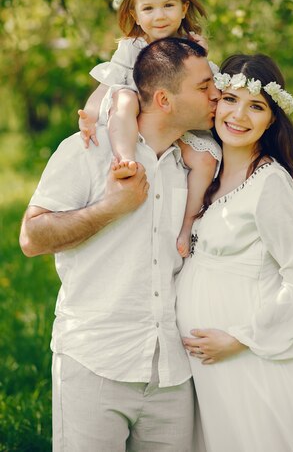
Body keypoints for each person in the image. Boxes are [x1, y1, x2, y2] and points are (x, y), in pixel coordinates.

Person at [19, 38, 220, 452]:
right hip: (95, 360)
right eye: (204, 86)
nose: (215, 94)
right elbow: (31, 237)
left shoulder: (199, 162)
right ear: (164, 99)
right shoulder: (88, 152)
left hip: (173, 372)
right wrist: (111, 207)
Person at [176, 54, 293, 452]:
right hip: (205, 367)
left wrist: (240, 339)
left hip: (250, 357)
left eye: (255, 106)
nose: (239, 115)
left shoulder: (269, 183)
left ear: (272, 118)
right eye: (230, 100)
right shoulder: (206, 169)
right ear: (215, 102)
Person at [78, 0, 221, 256]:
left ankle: (187, 226)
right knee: (124, 97)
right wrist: (90, 114)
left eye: (168, 5)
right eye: (148, 8)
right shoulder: (132, 47)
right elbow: (109, 82)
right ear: (135, 14)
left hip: (176, 122)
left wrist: (201, 55)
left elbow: (206, 86)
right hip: (134, 115)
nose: (159, 16)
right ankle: (126, 159)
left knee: (207, 160)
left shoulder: (192, 45)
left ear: (184, 8)